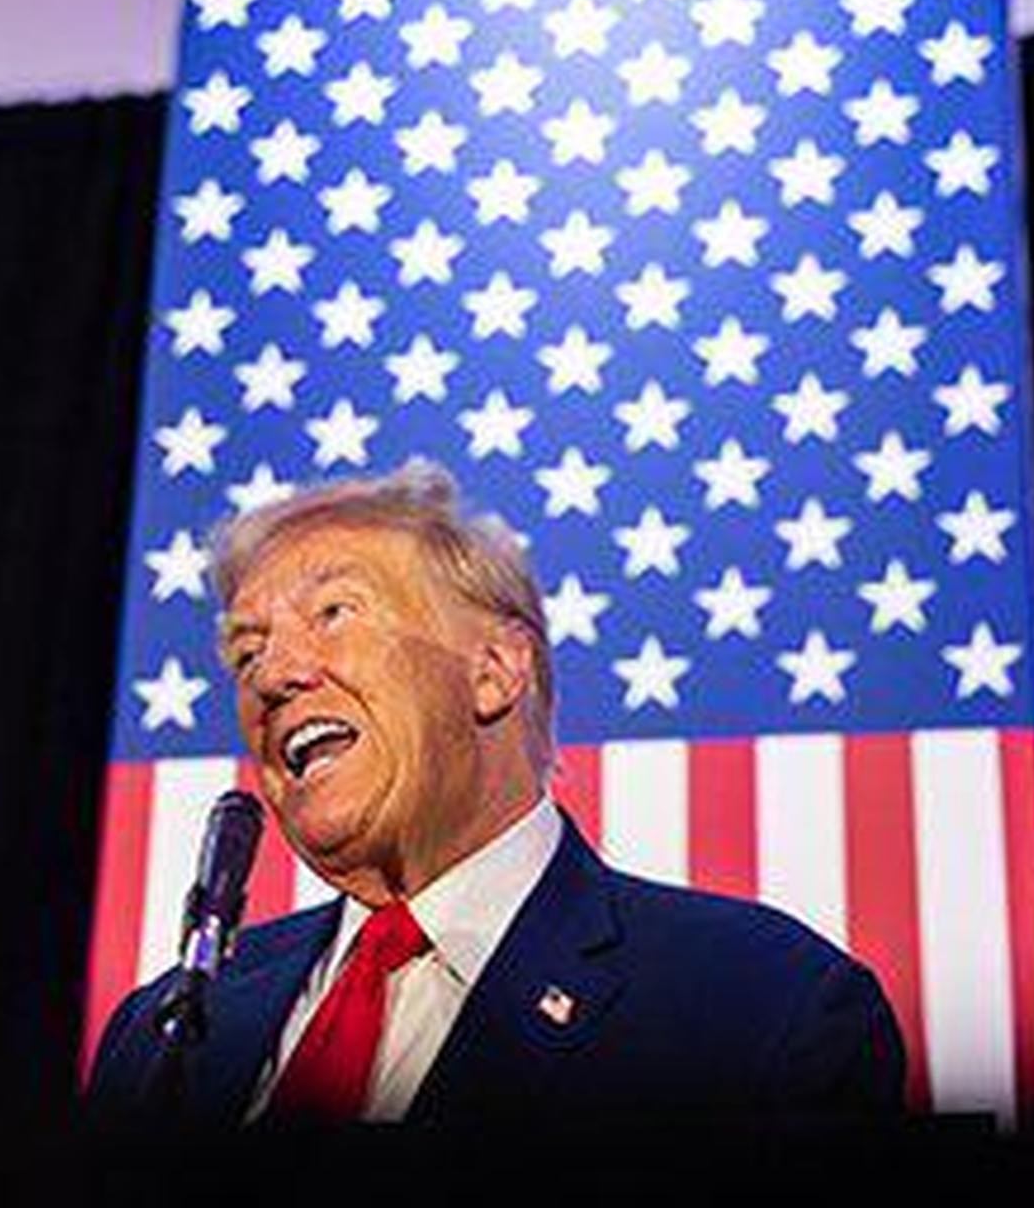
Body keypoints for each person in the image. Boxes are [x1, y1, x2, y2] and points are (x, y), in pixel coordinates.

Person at [86, 459, 905, 1135]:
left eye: (334, 612)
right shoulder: (158, 1039)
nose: (272, 675)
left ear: (494, 671)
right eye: (247, 652)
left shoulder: (759, 1011)